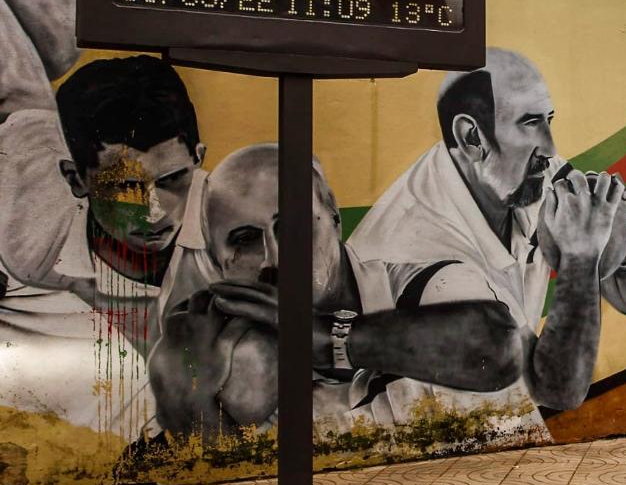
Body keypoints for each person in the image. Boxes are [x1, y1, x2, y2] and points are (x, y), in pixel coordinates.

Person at [349, 48, 626, 416]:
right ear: (472, 137)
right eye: (529, 123)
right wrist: (580, 255)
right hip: (425, 446)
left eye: (549, 120)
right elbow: (556, 387)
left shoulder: (524, 174)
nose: (550, 147)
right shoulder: (426, 254)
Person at [148, 144, 523, 442]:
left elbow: (498, 349)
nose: (274, 258)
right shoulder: (236, 370)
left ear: (334, 218)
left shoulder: (429, 291)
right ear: (219, 264)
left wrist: (323, 338)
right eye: (245, 240)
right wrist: (191, 411)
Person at [0, 55, 208, 443]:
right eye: (125, 187)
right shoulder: (26, 240)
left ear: (199, 157)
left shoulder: (240, 225)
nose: (155, 211)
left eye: (173, 179)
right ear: (75, 179)